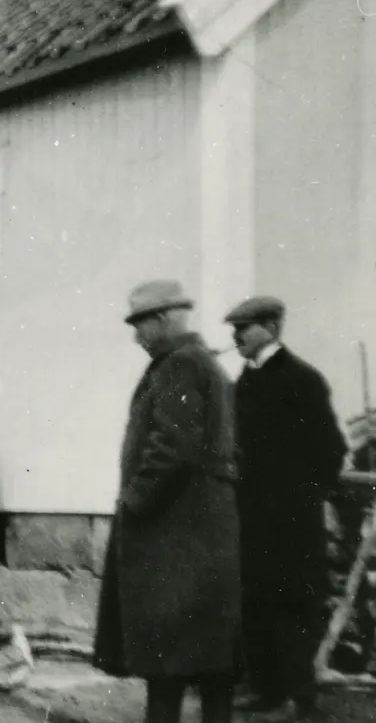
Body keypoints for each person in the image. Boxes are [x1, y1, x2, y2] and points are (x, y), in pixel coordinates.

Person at [93, 280, 241, 723]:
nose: (136, 335)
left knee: (168, 662)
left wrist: (135, 501)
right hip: (205, 535)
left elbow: (173, 447)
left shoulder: (179, 365)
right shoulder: (205, 365)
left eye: (139, 324)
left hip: (175, 538)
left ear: (162, 319)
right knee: (213, 662)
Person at [227, 296, 348, 721]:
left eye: (245, 326)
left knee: (296, 605)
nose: (236, 335)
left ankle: (303, 699)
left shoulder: (303, 379)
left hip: (293, 523)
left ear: (273, 327)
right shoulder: (243, 381)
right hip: (251, 519)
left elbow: (332, 450)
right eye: (234, 327)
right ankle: (266, 691)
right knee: (255, 602)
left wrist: (301, 498)